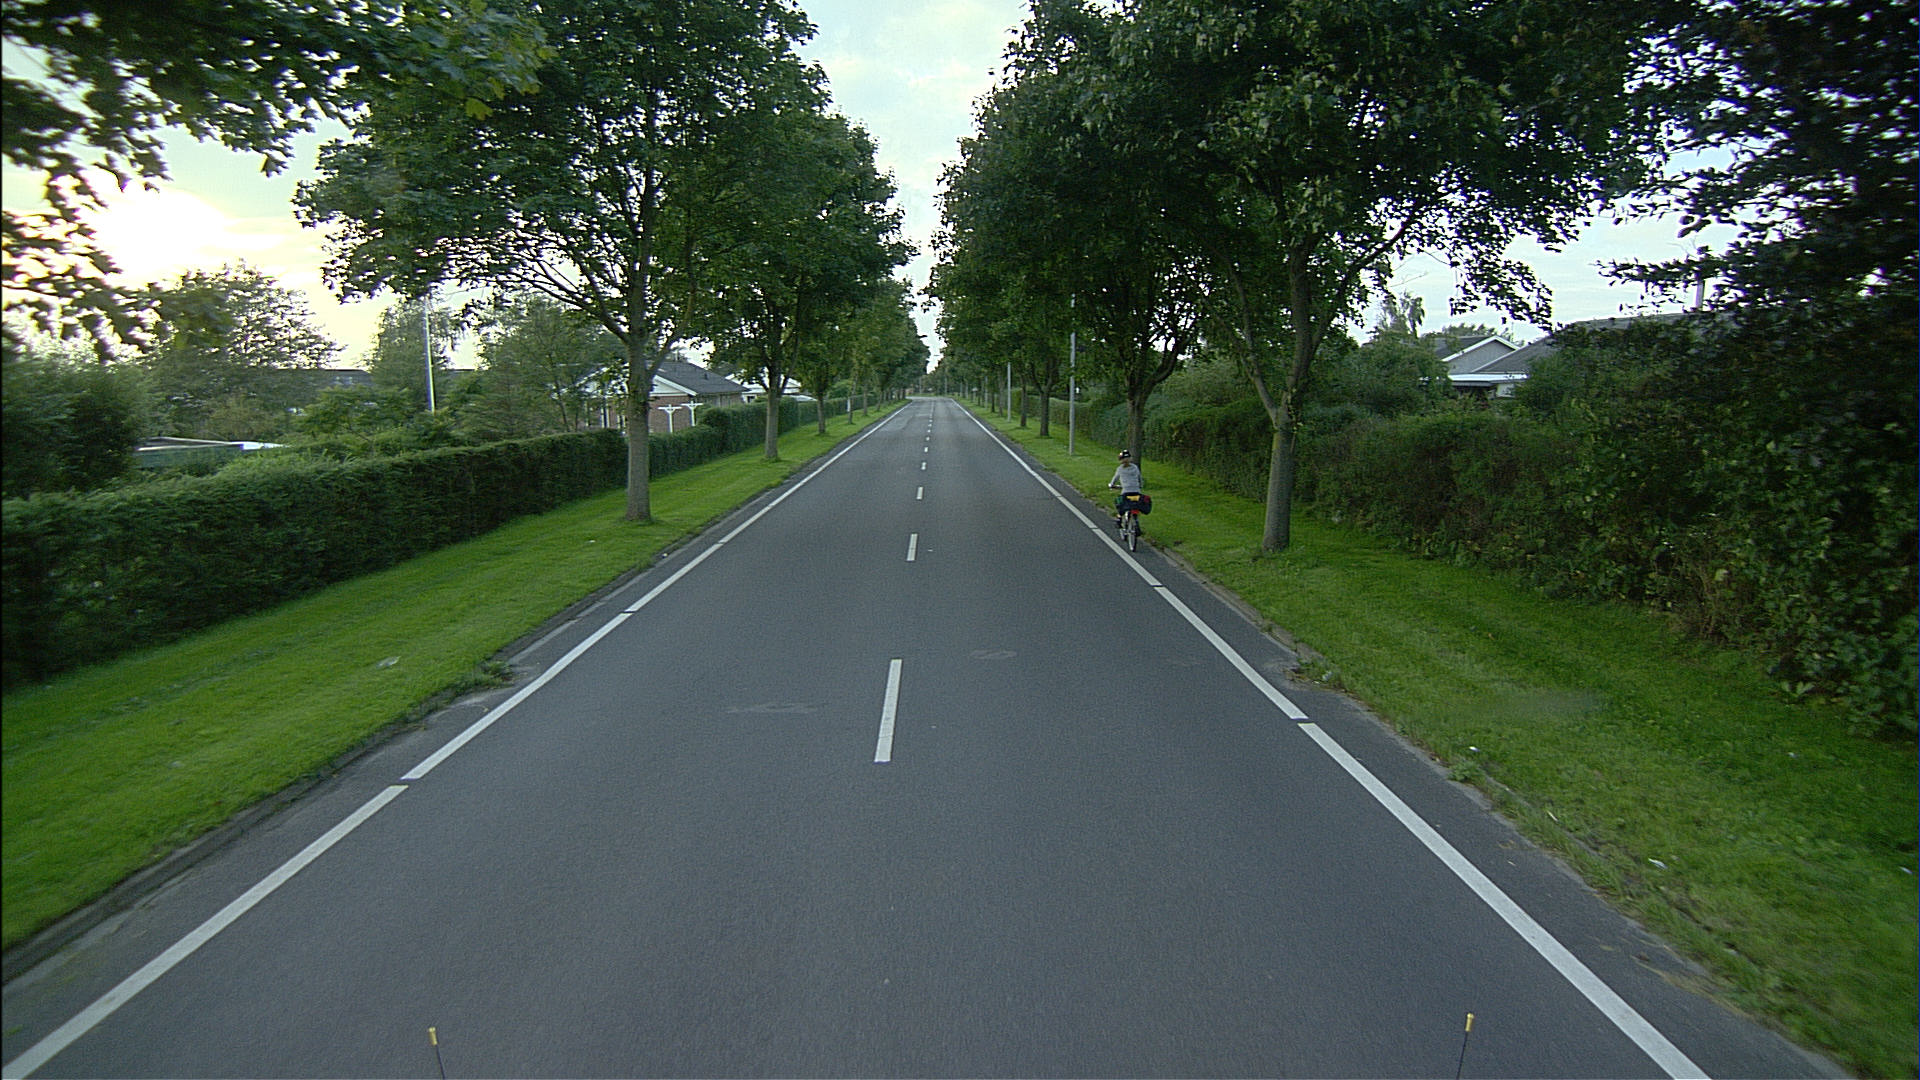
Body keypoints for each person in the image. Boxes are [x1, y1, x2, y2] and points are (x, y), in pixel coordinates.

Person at [1108, 449, 1144, 526]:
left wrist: (1112, 485)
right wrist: (1140, 485)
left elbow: (1114, 479)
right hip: (1136, 491)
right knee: (1135, 505)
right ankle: (1135, 519)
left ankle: (1119, 518)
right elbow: (1140, 479)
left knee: (1120, 504)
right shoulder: (1135, 467)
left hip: (1126, 491)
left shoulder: (1120, 469)